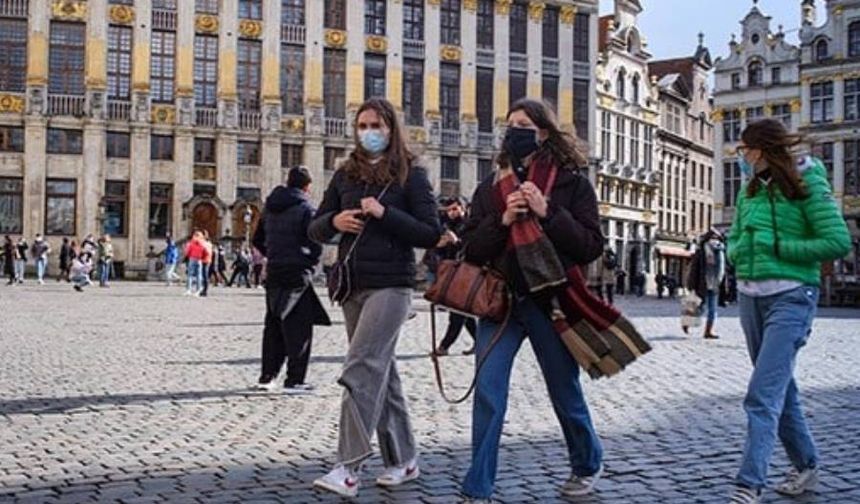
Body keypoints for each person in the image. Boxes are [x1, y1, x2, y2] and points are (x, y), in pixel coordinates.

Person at [458, 99, 608, 502]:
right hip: (500, 303)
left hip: (550, 302)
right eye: (510, 125)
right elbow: (470, 248)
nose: (515, 131)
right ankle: (478, 486)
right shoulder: (489, 188)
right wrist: (501, 220)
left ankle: (587, 462)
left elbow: (591, 246)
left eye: (523, 124)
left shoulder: (572, 183)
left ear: (543, 132)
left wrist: (549, 212)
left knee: (564, 391)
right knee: (488, 392)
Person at [309, 98, 440, 498]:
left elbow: (430, 232)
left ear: (391, 129)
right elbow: (315, 226)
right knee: (383, 373)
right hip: (352, 284)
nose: (369, 131)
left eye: (377, 125)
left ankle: (348, 468)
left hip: (392, 286)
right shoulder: (344, 175)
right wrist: (334, 221)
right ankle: (404, 458)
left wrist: (386, 214)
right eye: (363, 125)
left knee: (361, 368)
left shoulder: (411, 175)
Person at [725, 119, 851, 504]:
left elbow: (837, 241)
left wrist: (781, 250)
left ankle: (749, 484)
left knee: (762, 394)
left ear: (760, 151)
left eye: (744, 150)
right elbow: (736, 234)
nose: (741, 157)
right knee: (782, 388)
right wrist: (735, 254)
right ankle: (807, 466)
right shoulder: (750, 189)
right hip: (750, 296)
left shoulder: (808, 183)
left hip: (792, 296)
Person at [251, 166, 331, 394]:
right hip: (297, 271)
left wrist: (273, 254)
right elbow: (316, 241)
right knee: (298, 326)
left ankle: (267, 376)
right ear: (307, 186)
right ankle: (295, 379)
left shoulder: (270, 207)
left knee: (274, 324)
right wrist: (309, 260)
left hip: (275, 271)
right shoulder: (306, 208)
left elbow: (257, 239)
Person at [431, 197, 477, 356]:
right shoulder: (444, 225)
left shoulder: (470, 226)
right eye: (449, 209)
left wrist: (456, 241)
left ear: (463, 209)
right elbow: (439, 253)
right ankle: (479, 342)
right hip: (450, 273)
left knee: (457, 310)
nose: (452, 212)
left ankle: (444, 346)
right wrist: (440, 245)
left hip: (466, 273)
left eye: (455, 209)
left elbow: (472, 249)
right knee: (464, 312)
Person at [683, 229, 726, 338]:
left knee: (704, 307)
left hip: (706, 284)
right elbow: (721, 270)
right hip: (710, 283)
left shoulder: (704, 250)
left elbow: (694, 269)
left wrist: (691, 284)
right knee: (707, 308)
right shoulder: (717, 249)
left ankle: (692, 324)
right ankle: (704, 330)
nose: (714, 241)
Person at [183, 231, 205, 295]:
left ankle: (189, 290)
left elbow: (187, 252)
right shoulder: (202, 243)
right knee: (199, 275)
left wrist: (187, 256)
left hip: (192, 259)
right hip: (199, 259)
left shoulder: (191, 243)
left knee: (190, 275)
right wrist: (202, 257)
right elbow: (205, 252)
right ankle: (198, 290)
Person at [199, 230, 213, 297]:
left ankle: (205, 290)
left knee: (205, 276)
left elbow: (206, 252)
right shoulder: (209, 243)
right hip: (207, 260)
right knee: (204, 275)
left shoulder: (205, 243)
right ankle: (203, 290)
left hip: (205, 260)